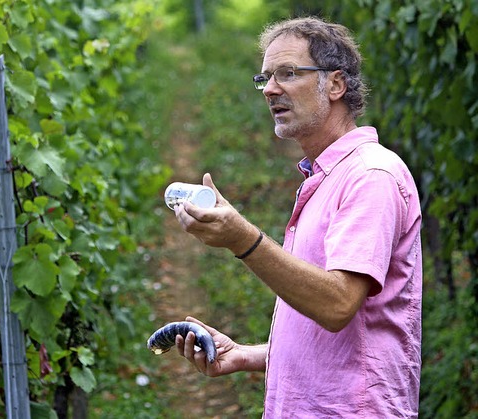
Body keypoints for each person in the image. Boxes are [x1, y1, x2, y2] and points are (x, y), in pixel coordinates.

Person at [172, 16, 422, 418]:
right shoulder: (326, 177)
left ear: (336, 85)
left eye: (288, 73)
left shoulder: (371, 176)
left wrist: (244, 240)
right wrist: (245, 355)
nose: (270, 89)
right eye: (266, 77)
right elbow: (340, 339)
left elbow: (338, 304)